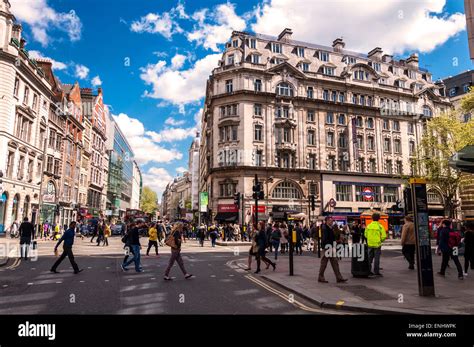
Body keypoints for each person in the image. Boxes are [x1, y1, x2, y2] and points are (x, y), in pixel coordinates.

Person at [318, 216, 347, 283]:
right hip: (327, 247)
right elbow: (325, 239)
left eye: (332, 220)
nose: (332, 221)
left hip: (331, 247)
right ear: (327, 221)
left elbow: (332, 237)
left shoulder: (330, 228)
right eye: (331, 220)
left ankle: (339, 277)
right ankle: (320, 276)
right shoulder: (325, 228)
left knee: (335, 262)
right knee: (324, 263)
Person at [365, 213, 387, 277]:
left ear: (372, 218)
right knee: (377, 258)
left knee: (369, 258)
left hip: (370, 244)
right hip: (377, 244)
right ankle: (376, 272)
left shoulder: (368, 226)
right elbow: (384, 236)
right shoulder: (380, 226)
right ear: (379, 218)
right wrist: (380, 241)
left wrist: (369, 240)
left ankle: (368, 271)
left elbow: (365, 235)